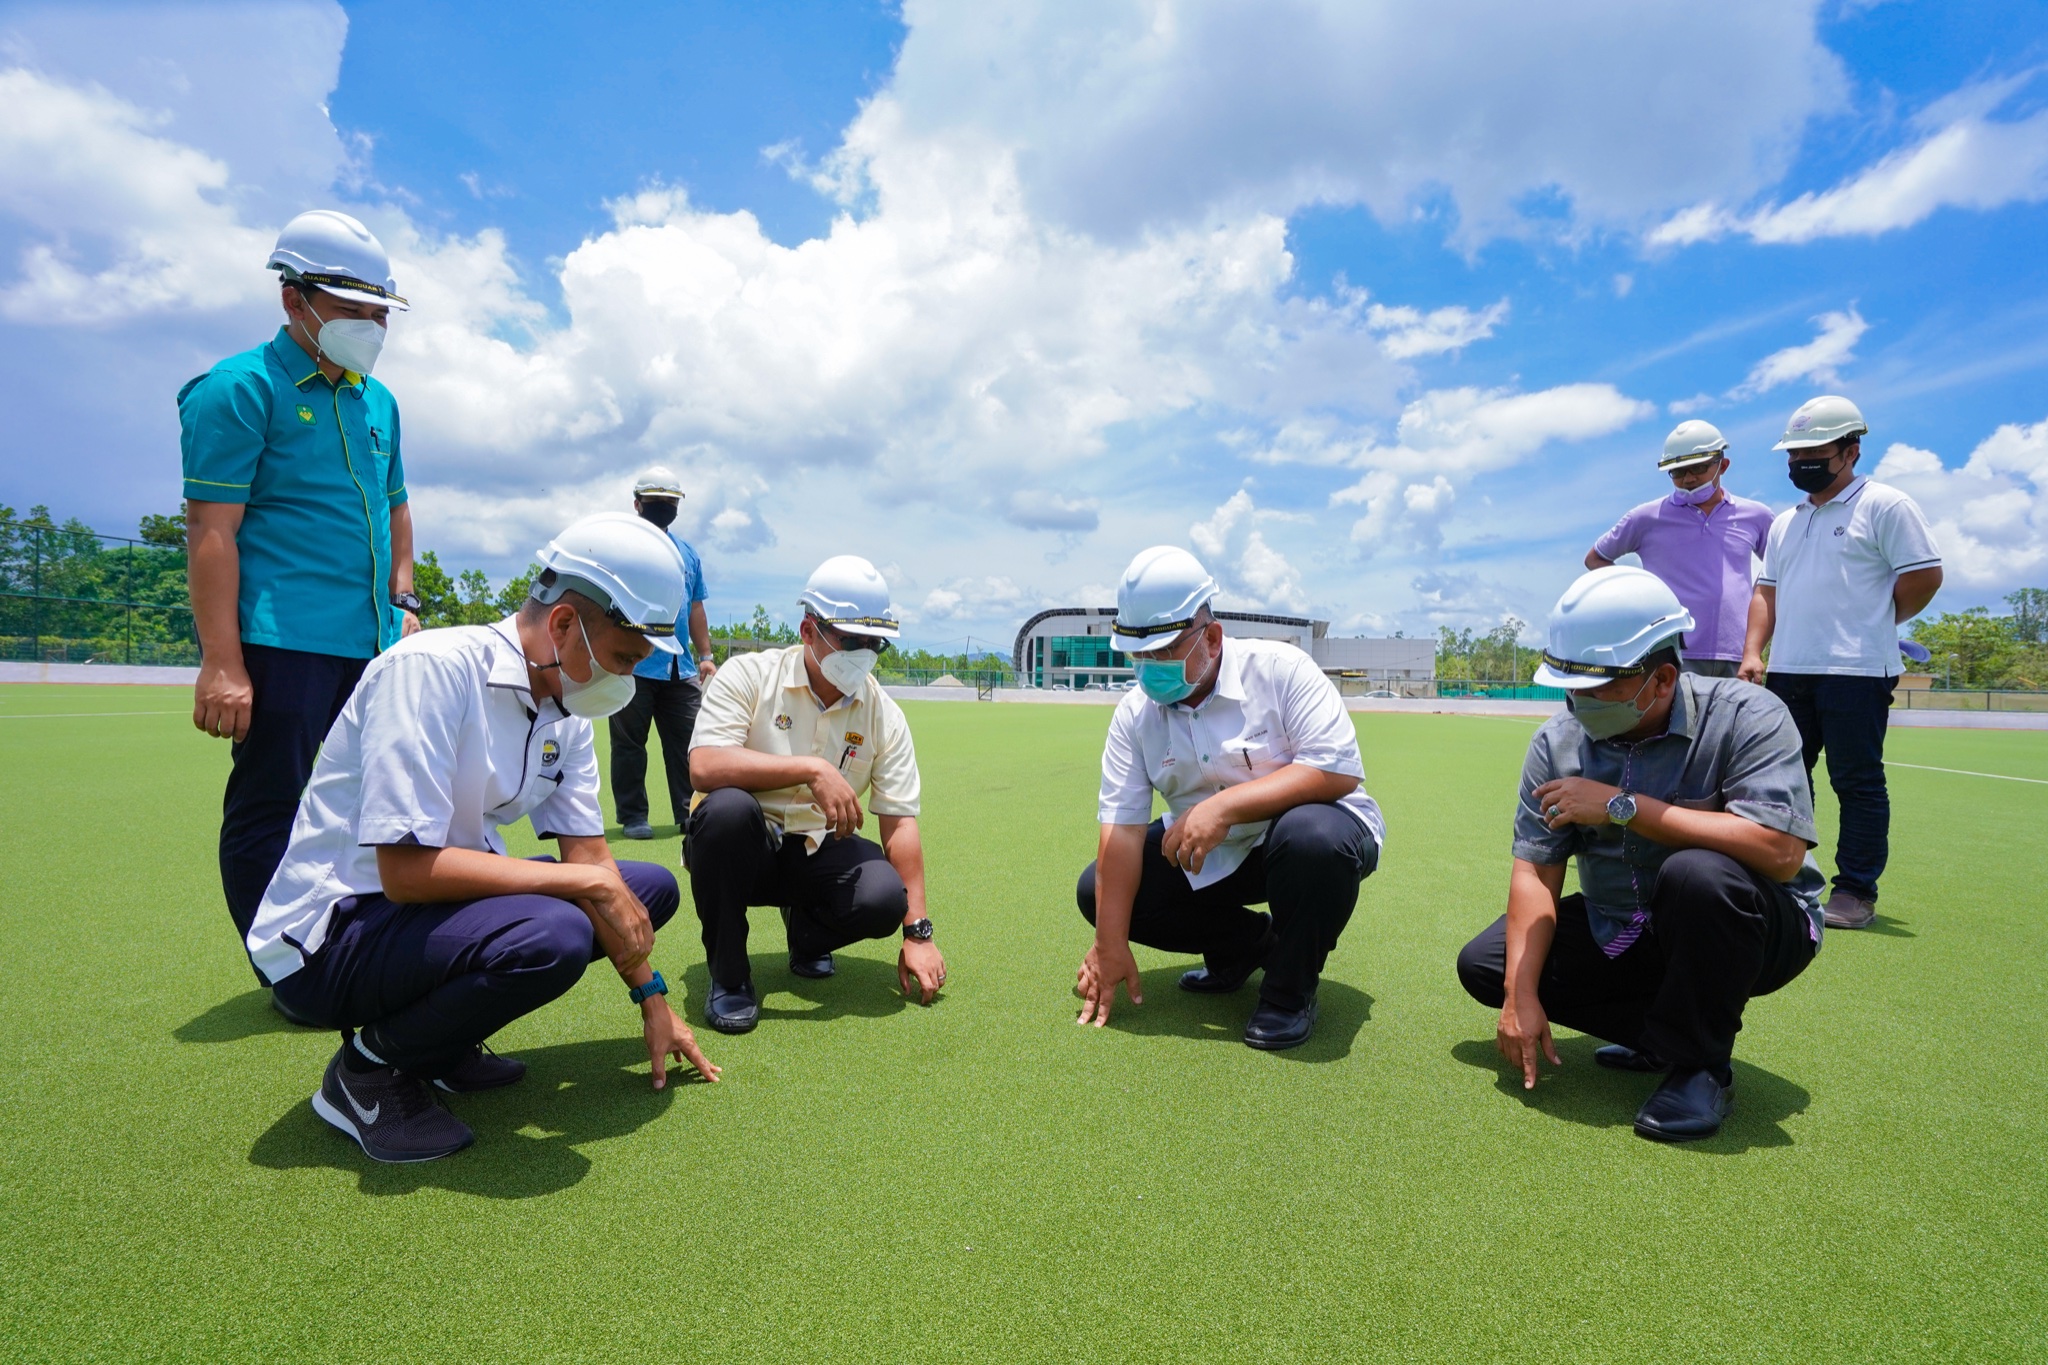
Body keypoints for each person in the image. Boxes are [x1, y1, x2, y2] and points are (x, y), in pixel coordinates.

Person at [248, 513, 720, 1163]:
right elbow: (405, 873)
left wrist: (653, 996)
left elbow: (591, 859)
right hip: (330, 936)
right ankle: (366, 1073)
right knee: (553, 934)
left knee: (645, 889)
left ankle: (438, 1047)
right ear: (563, 625)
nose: (626, 680)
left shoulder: (567, 703)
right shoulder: (431, 669)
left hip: (424, 915)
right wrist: (580, 882)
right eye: (622, 658)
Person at [1456, 566, 1826, 1142]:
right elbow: (1536, 870)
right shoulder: (1557, 742)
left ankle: (1701, 1067)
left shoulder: (1747, 715)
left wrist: (1621, 806)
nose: (1578, 704)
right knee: (1488, 965)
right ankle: (1665, 1036)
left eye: (1597, 688)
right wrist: (1520, 995)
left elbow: (1780, 853)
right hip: (1628, 925)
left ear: (1661, 679)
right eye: (1569, 687)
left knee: (1697, 875)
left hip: (1754, 923)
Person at [180, 210, 420, 975]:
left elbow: (396, 505)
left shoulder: (375, 400)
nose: (373, 327)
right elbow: (212, 532)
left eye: (381, 312)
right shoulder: (238, 389)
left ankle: (358, 949)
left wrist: (405, 603)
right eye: (355, 312)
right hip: (283, 640)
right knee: (271, 807)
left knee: (371, 806)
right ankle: (283, 969)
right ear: (295, 300)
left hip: (374, 641)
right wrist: (223, 662)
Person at [1073, 547, 1383, 1051]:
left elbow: (1336, 770)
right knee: (1099, 890)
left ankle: (1288, 993)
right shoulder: (1135, 715)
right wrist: (1110, 945)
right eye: (1138, 655)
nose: (1148, 668)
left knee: (1312, 839)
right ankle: (1246, 947)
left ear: (1211, 638)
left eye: (1162, 652)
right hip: (1215, 852)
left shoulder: (1281, 669)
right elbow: (1121, 833)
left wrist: (1222, 807)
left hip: (1309, 839)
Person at [684, 555, 946, 1034]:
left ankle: (806, 934)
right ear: (809, 630)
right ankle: (729, 975)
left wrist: (918, 933)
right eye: (852, 640)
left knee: (885, 897)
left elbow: (900, 821)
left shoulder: (884, 714)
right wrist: (810, 768)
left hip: (816, 848)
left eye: (876, 643)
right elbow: (704, 765)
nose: (865, 653)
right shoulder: (748, 676)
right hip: (743, 848)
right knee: (726, 811)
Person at [1739, 396, 1943, 930]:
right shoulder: (1787, 521)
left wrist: (1877, 619)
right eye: (1792, 454)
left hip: (1856, 671)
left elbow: (1924, 577)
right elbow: (1767, 592)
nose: (1799, 462)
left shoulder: (1886, 505)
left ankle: (1854, 891)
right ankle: (1785, 873)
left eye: (1812, 451)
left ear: (1850, 450)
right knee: (1781, 779)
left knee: (1855, 782)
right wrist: (1752, 652)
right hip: (1789, 670)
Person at [1585, 420, 1775, 678]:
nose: (1688, 479)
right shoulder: (1645, 517)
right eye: (1678, 471)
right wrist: (1638, 594)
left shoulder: (1756, 516)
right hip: (1672, 654)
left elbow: (1778, 572)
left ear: (1723, 464)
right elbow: (1596, 558)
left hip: (1738, 655)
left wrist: (1754, 649)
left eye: (1697, 468)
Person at [611, 466, 716, 840]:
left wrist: (705, 655)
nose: (664, 507)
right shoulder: (621, 549)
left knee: (689, 745)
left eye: (670, 502)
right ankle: (634, 816)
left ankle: (690, 815)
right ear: (637, 504)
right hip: (632, 665)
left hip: (679, 668)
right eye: (657, 502)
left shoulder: (688, 553)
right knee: (628, 747)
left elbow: (696, 607)